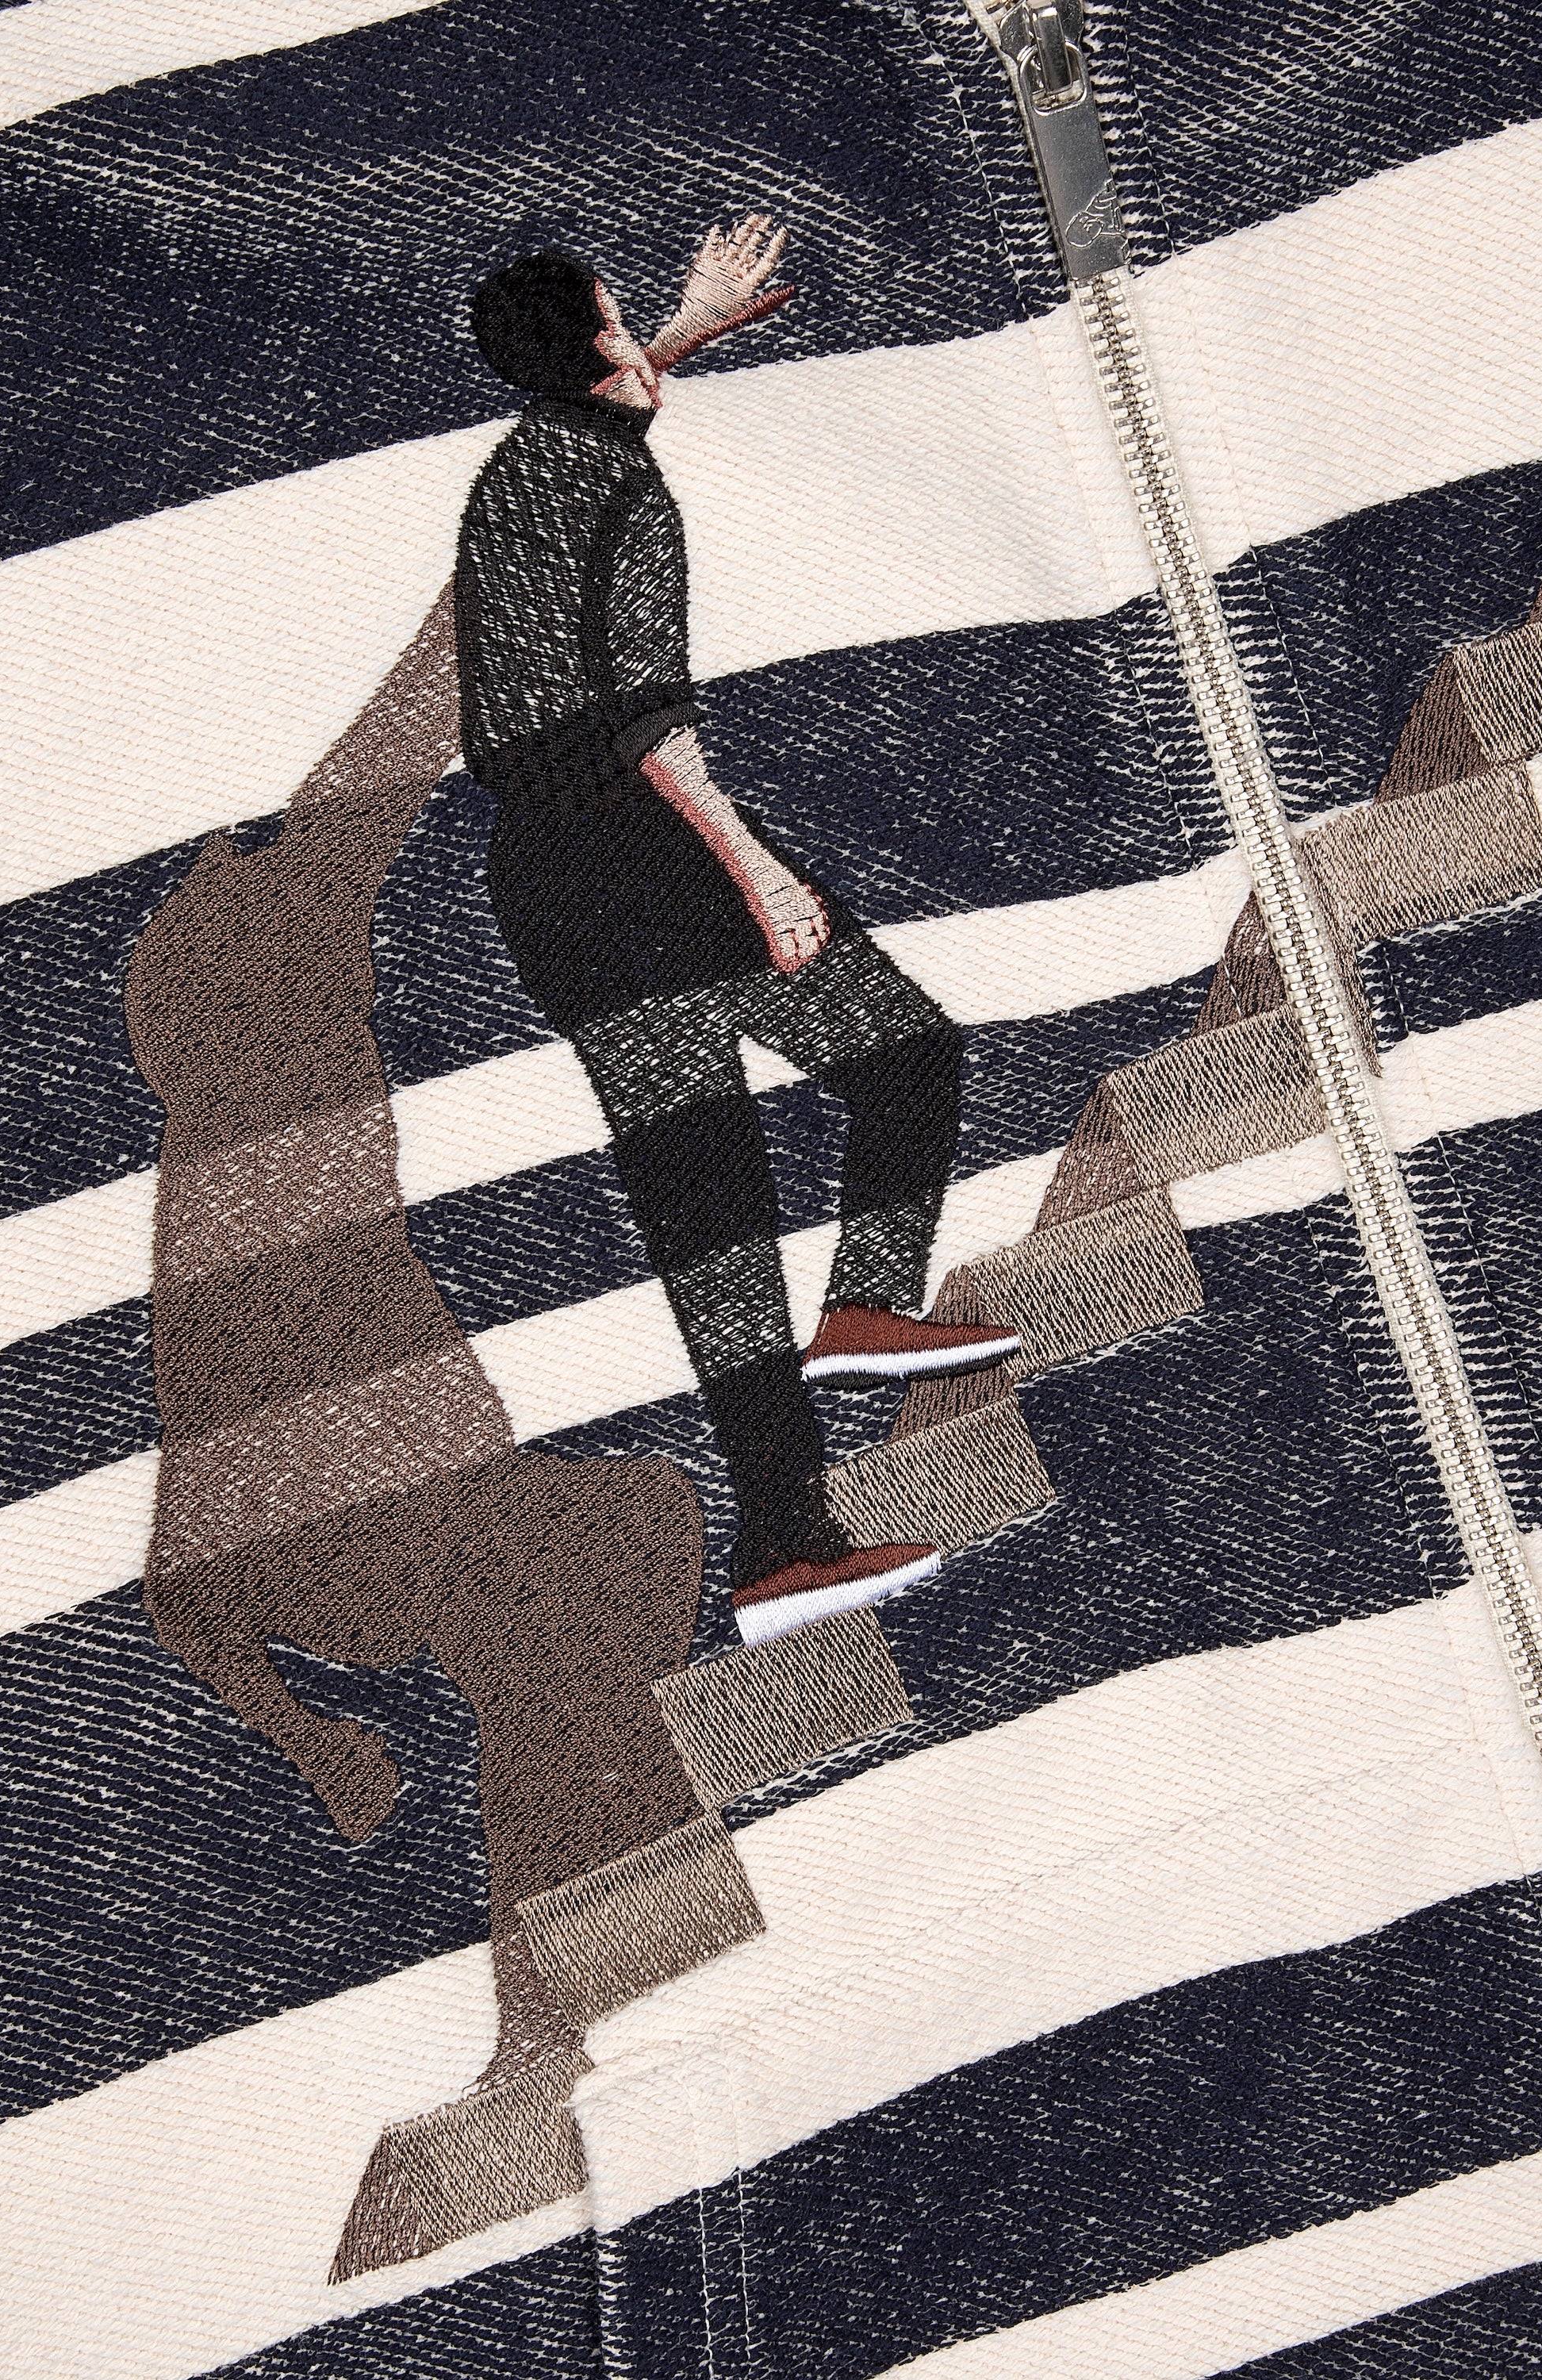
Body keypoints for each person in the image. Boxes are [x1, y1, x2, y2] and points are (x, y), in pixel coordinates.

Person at [455, 219, 1019, 1638]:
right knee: (903, 1054)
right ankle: (864, 1312)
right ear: (599, 348)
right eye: (625, 314)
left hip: (544, 884)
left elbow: (600, 414)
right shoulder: (623, 492)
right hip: (649, 845)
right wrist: (762, 877)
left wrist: (684, 330)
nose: (643, 334)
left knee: (708, 1215)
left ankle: (780, 1543)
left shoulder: (522, 467)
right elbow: (653, 724)